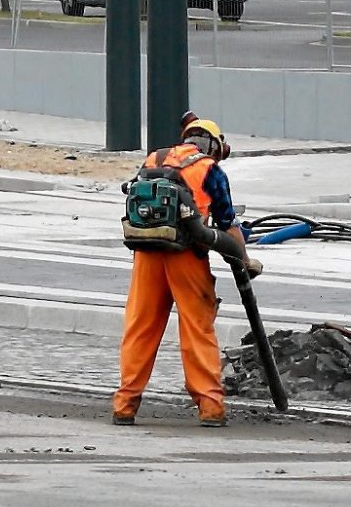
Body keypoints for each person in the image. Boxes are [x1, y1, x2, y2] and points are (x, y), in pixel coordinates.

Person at [111, 117, 262, 428]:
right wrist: (245, 260)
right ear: (216, 146)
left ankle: (125, 405)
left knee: (140, 328)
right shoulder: (209, 169)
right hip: (186, 256)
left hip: (146, 253)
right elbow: (227, 224)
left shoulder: (155, 158)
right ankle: (210, 406)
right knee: (197, 328)